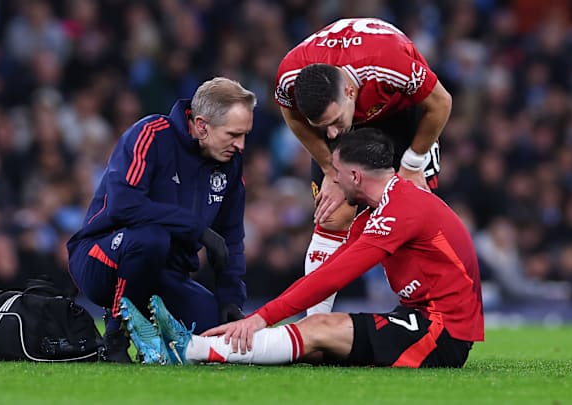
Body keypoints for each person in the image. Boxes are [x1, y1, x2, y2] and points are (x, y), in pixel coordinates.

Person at [119, 128, 484, 368]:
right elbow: (328, 271)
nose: (331, 182)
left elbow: (335, 276)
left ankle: (189, 349)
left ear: (355, 177)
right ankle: (195, 345)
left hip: (443, 332)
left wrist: (260, 317)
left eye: (335, 174)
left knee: (319, 328)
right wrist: (265, 317)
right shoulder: (381, 209)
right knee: (314, 342)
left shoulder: (401, 211)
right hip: (422, 316)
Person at [66, 77, 255, 363]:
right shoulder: (151, 134)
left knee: (217, 331)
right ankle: (115, 336)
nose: (240, 145)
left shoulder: (229, 164)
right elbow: (124, 206)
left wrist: (230, 299)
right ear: (202, 126)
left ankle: (151, 327)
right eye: (233, 134)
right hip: (101, 258)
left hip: (166, 275)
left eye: (245, 135)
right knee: (151, 239)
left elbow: (230, 237)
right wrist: (197, 230)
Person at [274, 18, 452, 314]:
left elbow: (441, 103)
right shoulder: (290, 76)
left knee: (412, 217)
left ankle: (431, 316)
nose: (331, 134)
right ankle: (314, 325)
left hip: (402, 114)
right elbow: (291, 115)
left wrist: (412, 163)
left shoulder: (387, 61)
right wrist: (330, 167)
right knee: (332, 214)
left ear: (349, 92)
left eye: (332, 123)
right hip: (355, 121)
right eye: (322, 126)